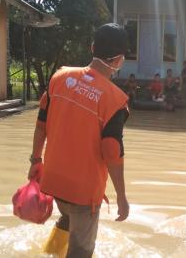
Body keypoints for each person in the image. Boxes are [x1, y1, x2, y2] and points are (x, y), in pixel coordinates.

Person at [28, 23, 130, 258]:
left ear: (92, 47)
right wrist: (122, 198)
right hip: (84, 192)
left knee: (66, 217)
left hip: (53, 181)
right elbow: (112, 151)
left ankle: (51, 253)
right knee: (82, 250)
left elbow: (41, 124)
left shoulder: (60, 77)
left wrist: (35, 160)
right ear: (119, 61)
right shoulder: (115, 100)